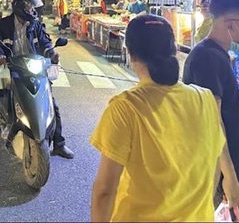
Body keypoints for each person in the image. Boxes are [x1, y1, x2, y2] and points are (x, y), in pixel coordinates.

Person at [91, 15, 231, 221]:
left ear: (130, 53)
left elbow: (105, 192)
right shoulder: (205, 99)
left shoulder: (125, 107)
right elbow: (214, 167)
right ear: (174, 49)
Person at [183, 0, 239, 222]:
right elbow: (212, 122)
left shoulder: (217, 54)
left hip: (230, 164)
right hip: (219, 174)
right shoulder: (207, 59)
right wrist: (229, 177)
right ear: (229, 24)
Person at [0, 0, 74, 159]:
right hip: (12, 68)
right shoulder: (3, 25)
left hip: (34, 68)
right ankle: (8, 127)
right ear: (20, 7)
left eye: (33, 7)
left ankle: (59, 144)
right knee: (7, 97)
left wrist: (52, 52)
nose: (33, 10)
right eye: (30, 7)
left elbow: (45, 42)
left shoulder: (36, 25)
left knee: (51, 103)